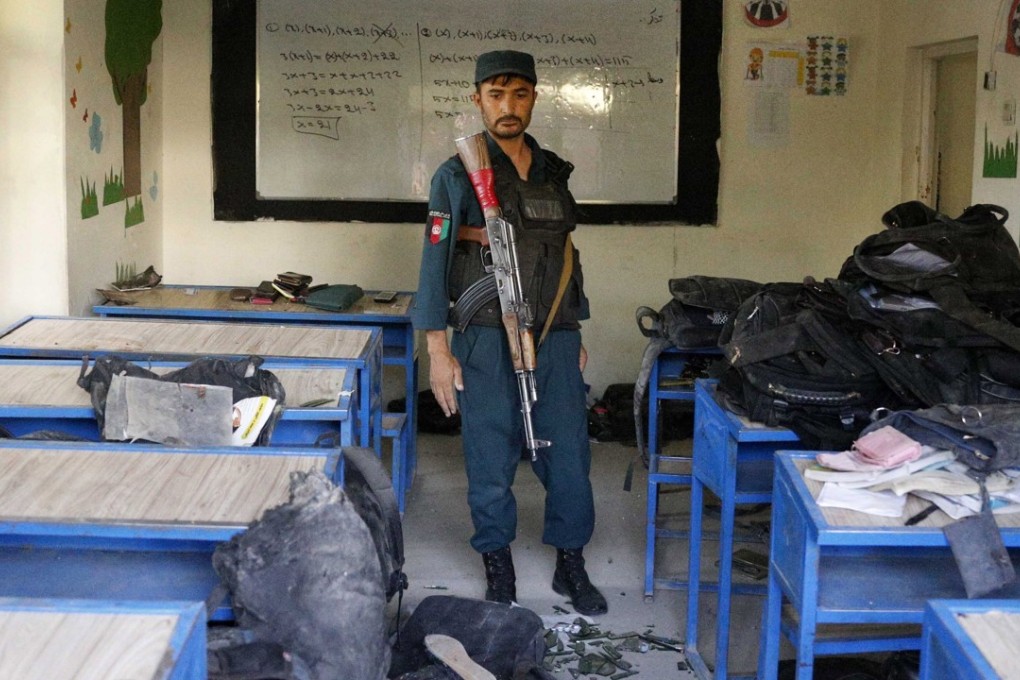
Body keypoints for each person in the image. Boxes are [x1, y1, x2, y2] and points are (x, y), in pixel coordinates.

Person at [411, 49, 607, 616]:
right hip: (483, 336)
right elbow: (434, 260)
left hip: (555, 333)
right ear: (477, 99)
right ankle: (497, 563)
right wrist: (438, 350)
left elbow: (564, 253)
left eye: (519, 94)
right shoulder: (457, 174)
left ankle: (572, 561)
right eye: (495, 95)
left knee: (569, 452)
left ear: (534, 99)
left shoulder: (553, 172)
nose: (508, 106)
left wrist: (573, 326)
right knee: (490, 454)